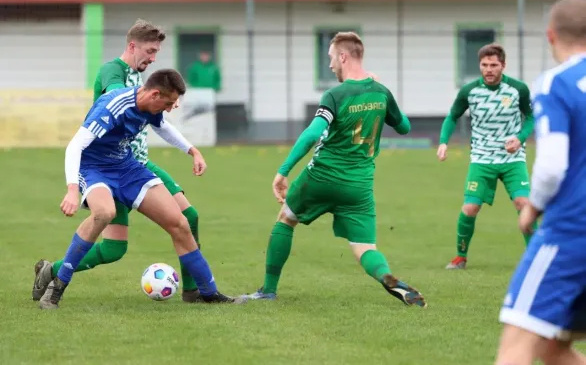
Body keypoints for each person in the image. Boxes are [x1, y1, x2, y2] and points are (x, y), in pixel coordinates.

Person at [239, 32, 426, 308]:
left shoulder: (335, 95)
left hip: (322, 177)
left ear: (343, 56)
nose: (329, 66)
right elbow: (404, 127)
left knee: (286, 219)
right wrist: (382, 94)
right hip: (359, 186)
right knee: (365, 249)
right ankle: (386, 276)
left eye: (330, 58)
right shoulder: (381, 92)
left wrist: (283, 170)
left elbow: (312, 134)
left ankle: (268, 290)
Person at [33, 19, 207, 304]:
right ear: (132, 46)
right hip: (110, 167)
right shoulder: (113, 72)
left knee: (189, 216)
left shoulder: (141, 77)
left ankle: (193, 291)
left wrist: (183, 136)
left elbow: (158, 122)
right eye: (150, 51)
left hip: (137, 164)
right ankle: (53, 271)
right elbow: (116, 96)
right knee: (114, 248)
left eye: (156, 54)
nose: (153, 58)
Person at [38, 69, 235, 310]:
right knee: (104, 213)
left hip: (127, 168)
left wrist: (192, 150)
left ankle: (209, 292)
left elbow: (163, 127)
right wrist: (72, 190)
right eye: (169, 102)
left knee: (180, 224)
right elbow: (75, 146)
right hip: (94, 169)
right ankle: (57, 286)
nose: (172, 108)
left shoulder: (150, 107)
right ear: (154, 94)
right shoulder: (114, 106)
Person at [495, 0, 586, 365]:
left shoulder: (554, 84)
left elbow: (551, 166)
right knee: (553, 347)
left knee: (516, 345)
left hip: (571, 235)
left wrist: (531, 207)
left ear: (551, 36)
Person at [438, 43, 536, 270]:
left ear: (503, 65)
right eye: (484, 65)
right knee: (470, 208)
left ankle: (534, 259)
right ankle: (460, 257)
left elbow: (531, 117)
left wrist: (520, 139)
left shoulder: (518, 89)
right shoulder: (469, 91)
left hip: (512, 159)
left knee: (524, 204)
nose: (489, 69)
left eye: (494, 65)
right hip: (482, 159)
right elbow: (452, 116)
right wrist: (443, 142)